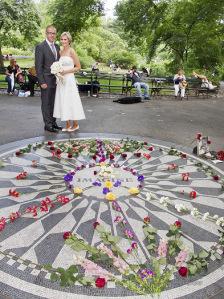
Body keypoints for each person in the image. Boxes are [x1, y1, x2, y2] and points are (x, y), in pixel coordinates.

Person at [53, 32, 85, 132]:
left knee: (71, 100)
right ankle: (67, 125)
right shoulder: (60, 51)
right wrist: (57, 71)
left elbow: (78, 67)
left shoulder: (72, 51)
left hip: (69, 79)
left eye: (65, 39)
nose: (63, 41)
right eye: (62, 39)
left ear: (69, 40)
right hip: (61, 80)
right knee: (63, 100)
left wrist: (65, 71)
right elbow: (59, 65)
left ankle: (75, 124)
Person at [35, 25, 61, 133]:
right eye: (50, 33)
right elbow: (38, 66)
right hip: (46, 80)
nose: (52, 35)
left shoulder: (57, 47)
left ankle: (53, 122)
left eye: (54, 33)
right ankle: (48, 124)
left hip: (56, 80)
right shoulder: (41, 47)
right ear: (46, 33)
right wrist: (41, 81)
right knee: (46, 103)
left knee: (54, 102)